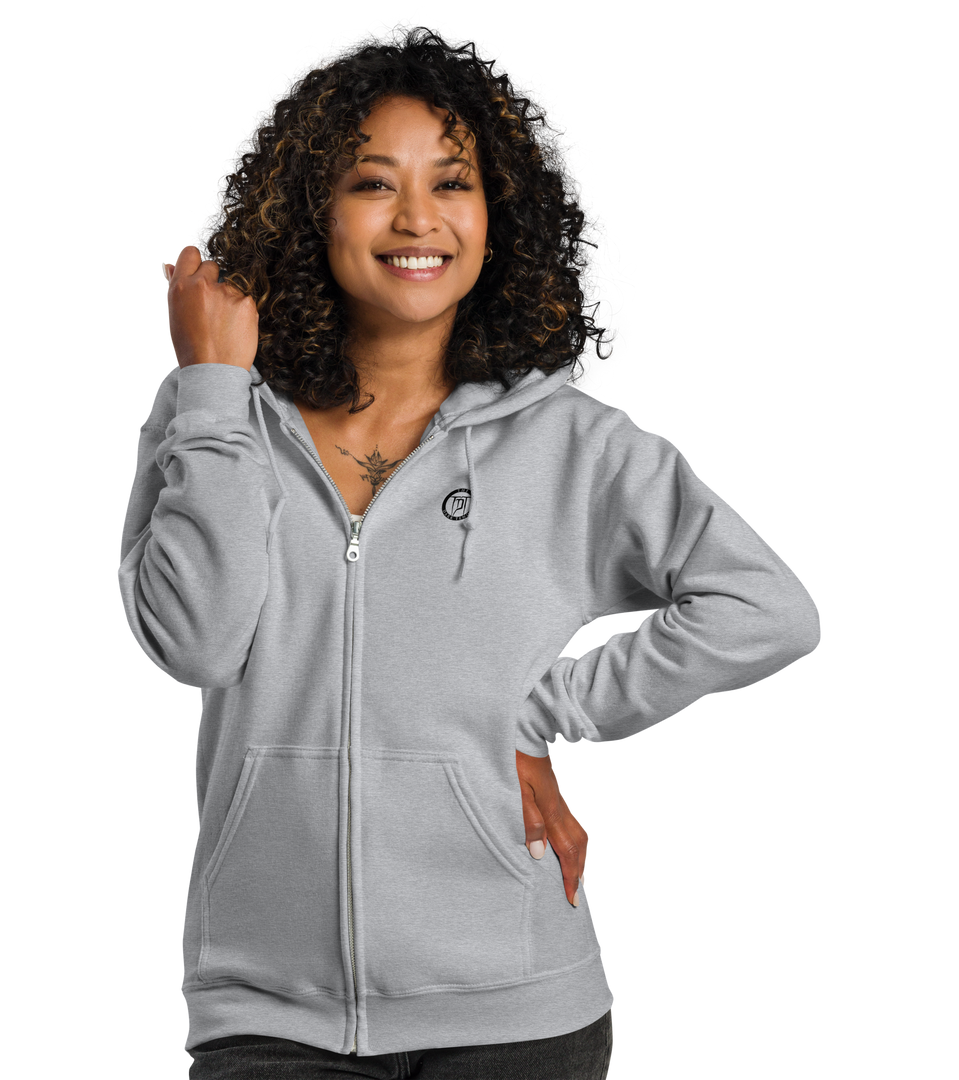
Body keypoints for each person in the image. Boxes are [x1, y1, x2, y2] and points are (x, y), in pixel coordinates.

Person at [117, 9, 822, 1078]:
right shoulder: (214, 417)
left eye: (453, 182)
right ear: (311, 206)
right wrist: (210, 386)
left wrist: (547, 712)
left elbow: (770, 609)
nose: (418, 218)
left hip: (518, 1013)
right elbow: (194, 645)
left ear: (502, 214)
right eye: (372, 182)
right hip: (267, 1011)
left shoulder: (575, 444)